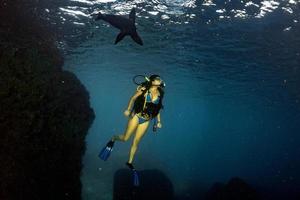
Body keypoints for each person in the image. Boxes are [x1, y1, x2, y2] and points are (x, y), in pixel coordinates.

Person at [99, 74, 165, 171]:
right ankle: (114, 138)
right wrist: (128, 109)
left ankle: (129, 162)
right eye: (157, 79)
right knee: (126, 138)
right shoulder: (144, 89)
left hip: (147, 120)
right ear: (152, 81)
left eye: (160, 79)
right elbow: (133, 98)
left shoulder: (160, 93)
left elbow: (158, 108)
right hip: (137, 116)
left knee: (136, 141)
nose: (159, 80)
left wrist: (159, 121)